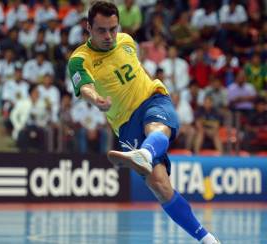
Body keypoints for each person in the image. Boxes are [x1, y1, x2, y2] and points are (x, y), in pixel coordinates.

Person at [68, 2, 220, 243]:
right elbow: (85, 87)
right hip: (125, 124)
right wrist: (96, 98)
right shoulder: (79, 59)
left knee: (155, 128)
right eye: (101, 30)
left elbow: (136, 71)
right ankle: (208, 240)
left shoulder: (127, 40)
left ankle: (145, 155)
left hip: (152, 99)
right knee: (160, 186)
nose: (109, 36)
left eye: (113, 29)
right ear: (88, 27)